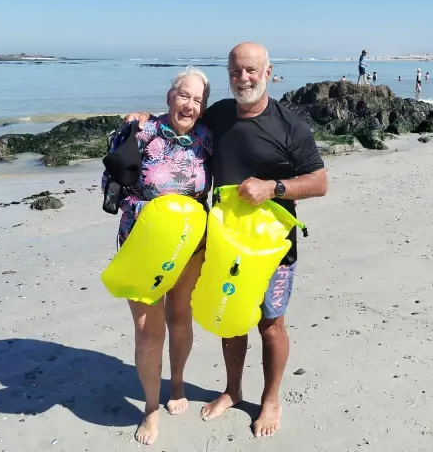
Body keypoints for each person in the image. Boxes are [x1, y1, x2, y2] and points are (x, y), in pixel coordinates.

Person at [125, 42, 328, 438]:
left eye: (251, 70)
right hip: (225, 240)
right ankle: (233, 390)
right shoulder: (218, 115)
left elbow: (319, 182)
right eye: (236, 71)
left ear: (268, 72)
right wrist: (143, 118)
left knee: (270, 323)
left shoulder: (290, 125)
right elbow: (181, 119)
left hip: (273, 245)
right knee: (231, 318)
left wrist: (273, 187)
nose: (243, 78)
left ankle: (271, 399)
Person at [107, 67, 213, 445]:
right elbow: (111, 184)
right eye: (184, 95)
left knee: (180, 317)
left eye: (198, 100)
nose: (189, 105)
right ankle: (151, 408)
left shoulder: (207, 139)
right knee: (148, 331)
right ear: (170, 97)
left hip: (190, 245)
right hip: (143, 243)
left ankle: (177, 383)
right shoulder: (141, 132)